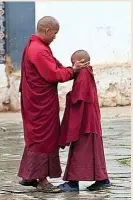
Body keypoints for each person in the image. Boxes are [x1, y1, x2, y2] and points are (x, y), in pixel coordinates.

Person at [18, 16, 89, 193]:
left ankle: (29, 175)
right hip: (40, 103)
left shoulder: (38, 46)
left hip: (37, 101)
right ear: (47, 31)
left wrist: (71, 70)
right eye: (55, 33)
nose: (55, 37)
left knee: (35, 137)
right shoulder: (39, 50)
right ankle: (42, 180)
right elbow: (53, 75)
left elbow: (56, 69)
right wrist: (73, 70)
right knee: (43, 138)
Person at [58, 50, 111, 192]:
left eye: (73, 62)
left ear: (81, 61)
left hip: (84, 121)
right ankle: (102, 179)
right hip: (89, 118)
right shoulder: (87, 72)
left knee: (80, 150)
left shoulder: (83, 75)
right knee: (93, 150)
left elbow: (78, 97)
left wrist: (69, 96)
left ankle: (73, 183)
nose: (72, 66)